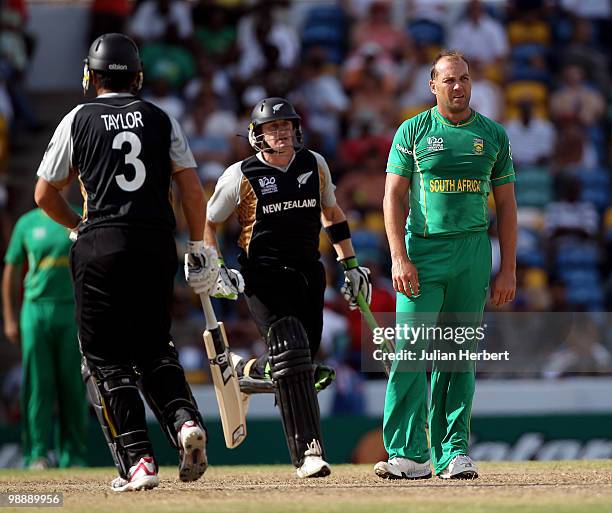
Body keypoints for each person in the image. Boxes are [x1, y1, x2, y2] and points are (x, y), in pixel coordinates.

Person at [33, 33, 218, 491]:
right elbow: (192, 190)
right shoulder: (160, 117)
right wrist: (198, 245)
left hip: (101, 244)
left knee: (105, 359)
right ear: (137, 76)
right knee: (155, 348)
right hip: (155, 245)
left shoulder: (77, 119)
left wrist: (78, 225)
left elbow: (43, 193)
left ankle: (139, 462)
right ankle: (183, 423)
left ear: (89, 76)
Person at [203, 97, 372, 478]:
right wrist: (216, 267)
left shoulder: (315, 163)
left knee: (299, 363)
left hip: (308, 273)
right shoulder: (239, 175)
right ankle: (308, 452)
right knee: (293, 352)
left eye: (286, 126)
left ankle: (246, 372)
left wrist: (351, 265)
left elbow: (332, 214)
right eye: (271, 128)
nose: (280, 133)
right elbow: (208, 223)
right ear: (257, 135)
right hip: (262, 276)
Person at [378, 50, 516, 480]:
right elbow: (393, 197)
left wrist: (508, 268)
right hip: (422, 251)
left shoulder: (492, 134)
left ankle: (452, 452)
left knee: (459, 354)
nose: (458, 87)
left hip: (473, 251)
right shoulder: (413, 130)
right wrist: (398, 256)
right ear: (432, 85)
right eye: (449, 80)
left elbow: (508, 207)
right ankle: (409, 454)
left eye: (465, 79)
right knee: (411, 351)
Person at [2, 204, 88, 469]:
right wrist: (9, 318)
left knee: (73, 385)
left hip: (70, 310)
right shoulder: (27, 223)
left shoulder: (75, 216)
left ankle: (72, 456)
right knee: (38, 385)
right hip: (36, 309)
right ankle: (37, 453)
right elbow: (11, 271)